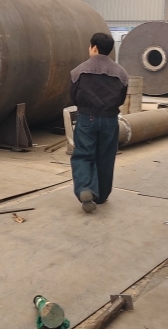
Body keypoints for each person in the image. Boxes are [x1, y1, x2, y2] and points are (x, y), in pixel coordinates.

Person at [69, 33, 128, 213]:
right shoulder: (121, 73)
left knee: (83, 155)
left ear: (94, 47)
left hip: (87, 118)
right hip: (110, 119)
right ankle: (101, 196)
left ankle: (85, 189)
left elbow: (73, 96)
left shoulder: (78, 71)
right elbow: (121, 98)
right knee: (106, 157)